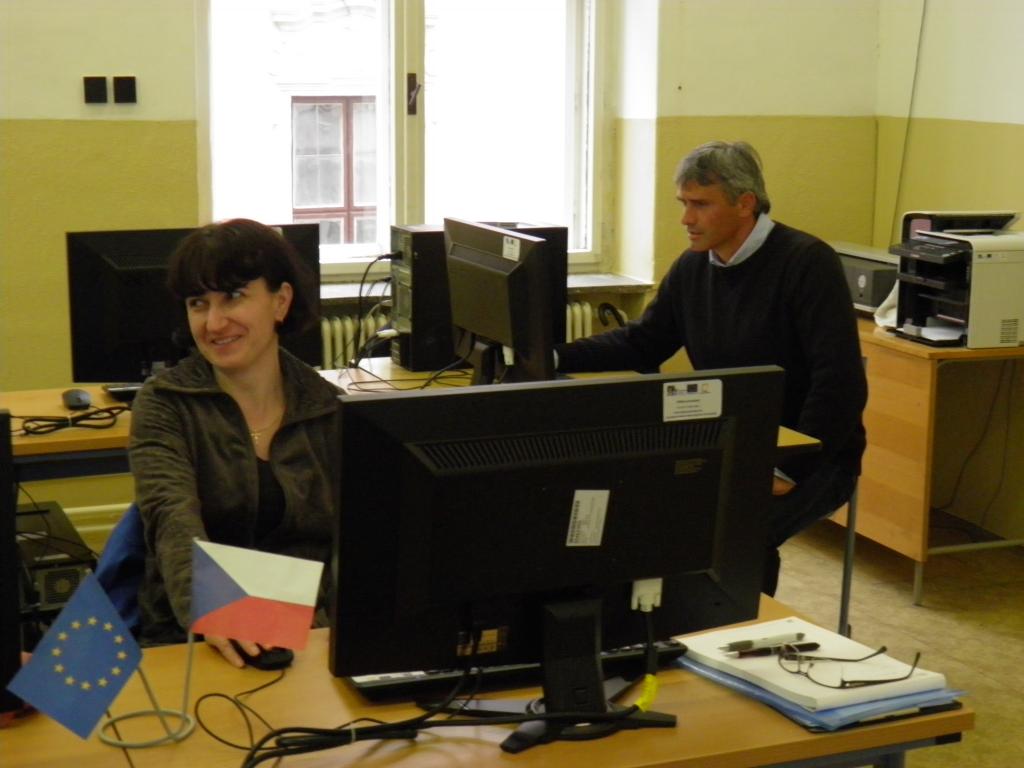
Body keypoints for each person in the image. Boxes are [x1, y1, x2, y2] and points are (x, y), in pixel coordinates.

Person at [555, 140, 867, 595]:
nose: (686, 218)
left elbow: (839, 381)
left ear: (745, 204)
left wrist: (789, 469)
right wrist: (555, 355)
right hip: (727, 443)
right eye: (684, 203)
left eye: (700, 204)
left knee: (735, 533)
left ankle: (745, 631)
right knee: (641, 508)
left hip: (813, 456)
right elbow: (642, 343)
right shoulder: (693, 266)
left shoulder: (806, 263)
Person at [128, 218, 339, 665]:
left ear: (281, 301)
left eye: (234, 297)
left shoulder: (328, 408)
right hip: (197, 637)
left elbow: (353, 545)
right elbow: (172, 519)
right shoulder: (166, 403)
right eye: (198, 303)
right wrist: (219, 612)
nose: (214, 322)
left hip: (312, 636)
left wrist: (323, 629)